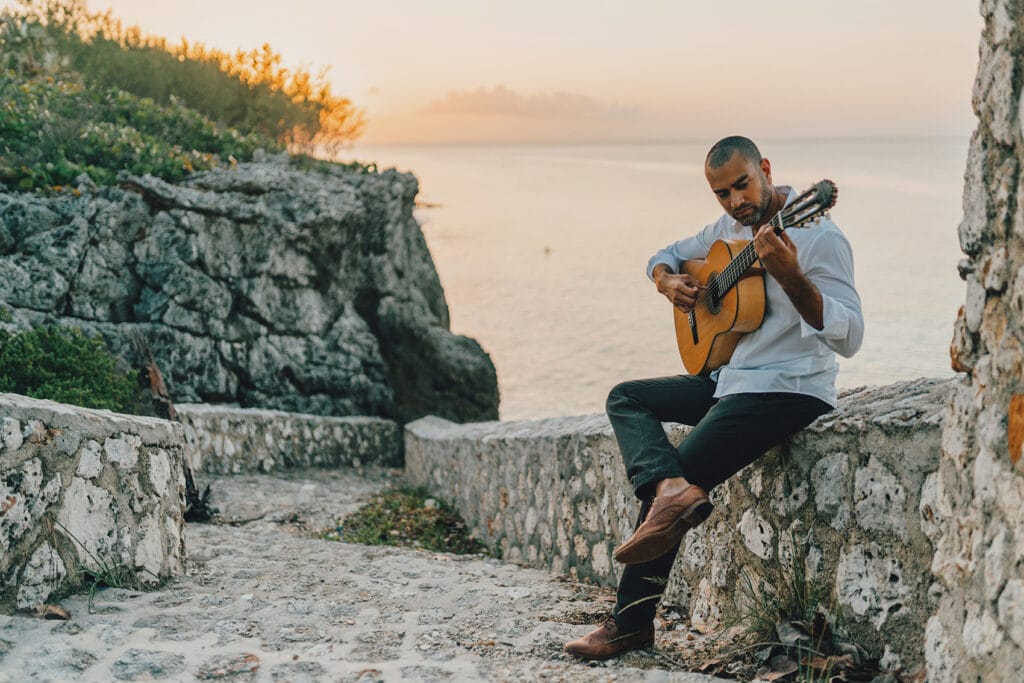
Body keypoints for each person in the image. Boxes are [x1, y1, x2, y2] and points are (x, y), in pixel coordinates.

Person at [563, 135, 863, 659]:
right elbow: (665, 254)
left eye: (742, 186)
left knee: (675, 488)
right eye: (722, 193)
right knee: (627, 398)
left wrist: (790, 276)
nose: (735, 202)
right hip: (731, 380)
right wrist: (665, 282)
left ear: (765, 169)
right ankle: (670, 487)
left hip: (786, 388)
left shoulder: (819, 236)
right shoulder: (725, 230)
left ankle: (630, 622)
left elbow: (850, 335)